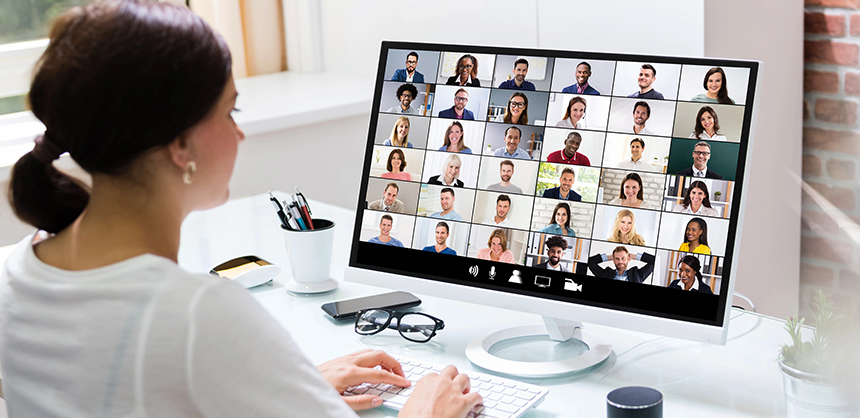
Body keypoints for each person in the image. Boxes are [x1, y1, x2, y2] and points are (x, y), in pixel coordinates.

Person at [0, 3, 482, 416]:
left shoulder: (12, 273)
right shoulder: (198, 315)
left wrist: (275, 383)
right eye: (231, 112)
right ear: (180, 144)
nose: (239, 134)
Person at [587, 247, 655, 283]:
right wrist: (610, 257)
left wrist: (634, 256)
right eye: (617, 258)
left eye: (623, 258)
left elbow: (654, 261)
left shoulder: (636, 275)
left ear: (628, 259)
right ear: (613, 260)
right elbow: (590, 262)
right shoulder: (606, 274)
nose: (620, 261)